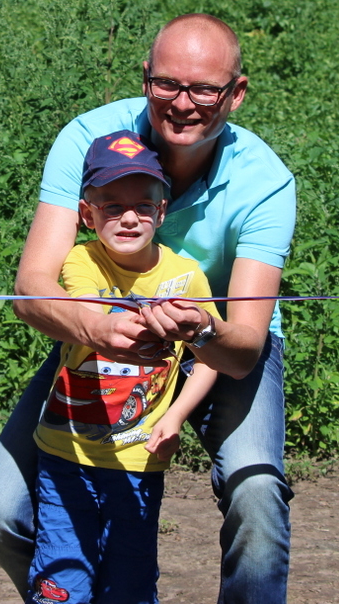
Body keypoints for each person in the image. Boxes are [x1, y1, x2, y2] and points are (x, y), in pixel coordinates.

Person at [0, 13, 296, 603]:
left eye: (205, 89)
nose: (184, 103)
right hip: (102, 339)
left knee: (257, 497)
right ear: (146, 78)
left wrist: (200, 325)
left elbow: (245, 347)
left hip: (216, 346)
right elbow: (32, 286)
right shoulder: (88, 138)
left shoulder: (266, 181)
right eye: (167, 84)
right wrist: (96, 325)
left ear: (236, 94)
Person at [30, 131, 218, 604]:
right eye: (111, 206)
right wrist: (135, 320)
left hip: (139, 462)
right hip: (64, 455)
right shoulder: (81, 260)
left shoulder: (187, 275)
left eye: (141, 205)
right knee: (59, 583)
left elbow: (210, 359)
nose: (128, 217)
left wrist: (175, 417)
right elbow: (89, 313)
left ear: (161, 212)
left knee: (130, 586)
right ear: (86, 215)